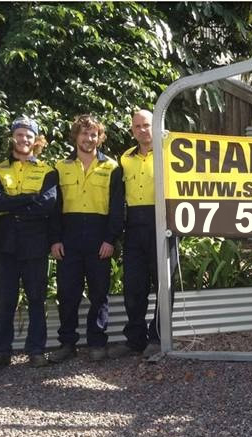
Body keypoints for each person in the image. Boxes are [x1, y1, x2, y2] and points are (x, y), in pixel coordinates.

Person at [0, 117, 57, 372]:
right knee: (5, 301)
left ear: (36, 140)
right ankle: (0, 353)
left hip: (35, 243)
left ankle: (36, 351)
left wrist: (13, 203)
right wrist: (29, 198)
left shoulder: (48, 171)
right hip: (5, 243)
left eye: (29, 135)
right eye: (20, 134)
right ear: (12, 137)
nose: (24, 139)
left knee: (36, 299)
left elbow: (47, 204)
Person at [48, 114, 123, 363]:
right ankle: (67, 343)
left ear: (99, 138)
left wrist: (110, 239)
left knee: (99, 293)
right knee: (67, 293)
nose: (89, 139)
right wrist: (55, 239)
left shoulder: (111, 167)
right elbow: (54, 207)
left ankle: (97, 342)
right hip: (68, 238)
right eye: (84, 134)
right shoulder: (60, 167)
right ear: (76, 136)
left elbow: (117, 208)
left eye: (93, 134)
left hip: (99, 238)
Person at [107, 109, 178, 359]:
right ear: (132, 130)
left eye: (146, 125)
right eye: (137, 126)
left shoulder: (171, 151)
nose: (142, 130)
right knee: (134, 286)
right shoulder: (125, 158)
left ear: (156, 125)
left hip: (164, 222)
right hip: (135, 226)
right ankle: (135, 340)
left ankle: (158, 338)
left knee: (163, 284)